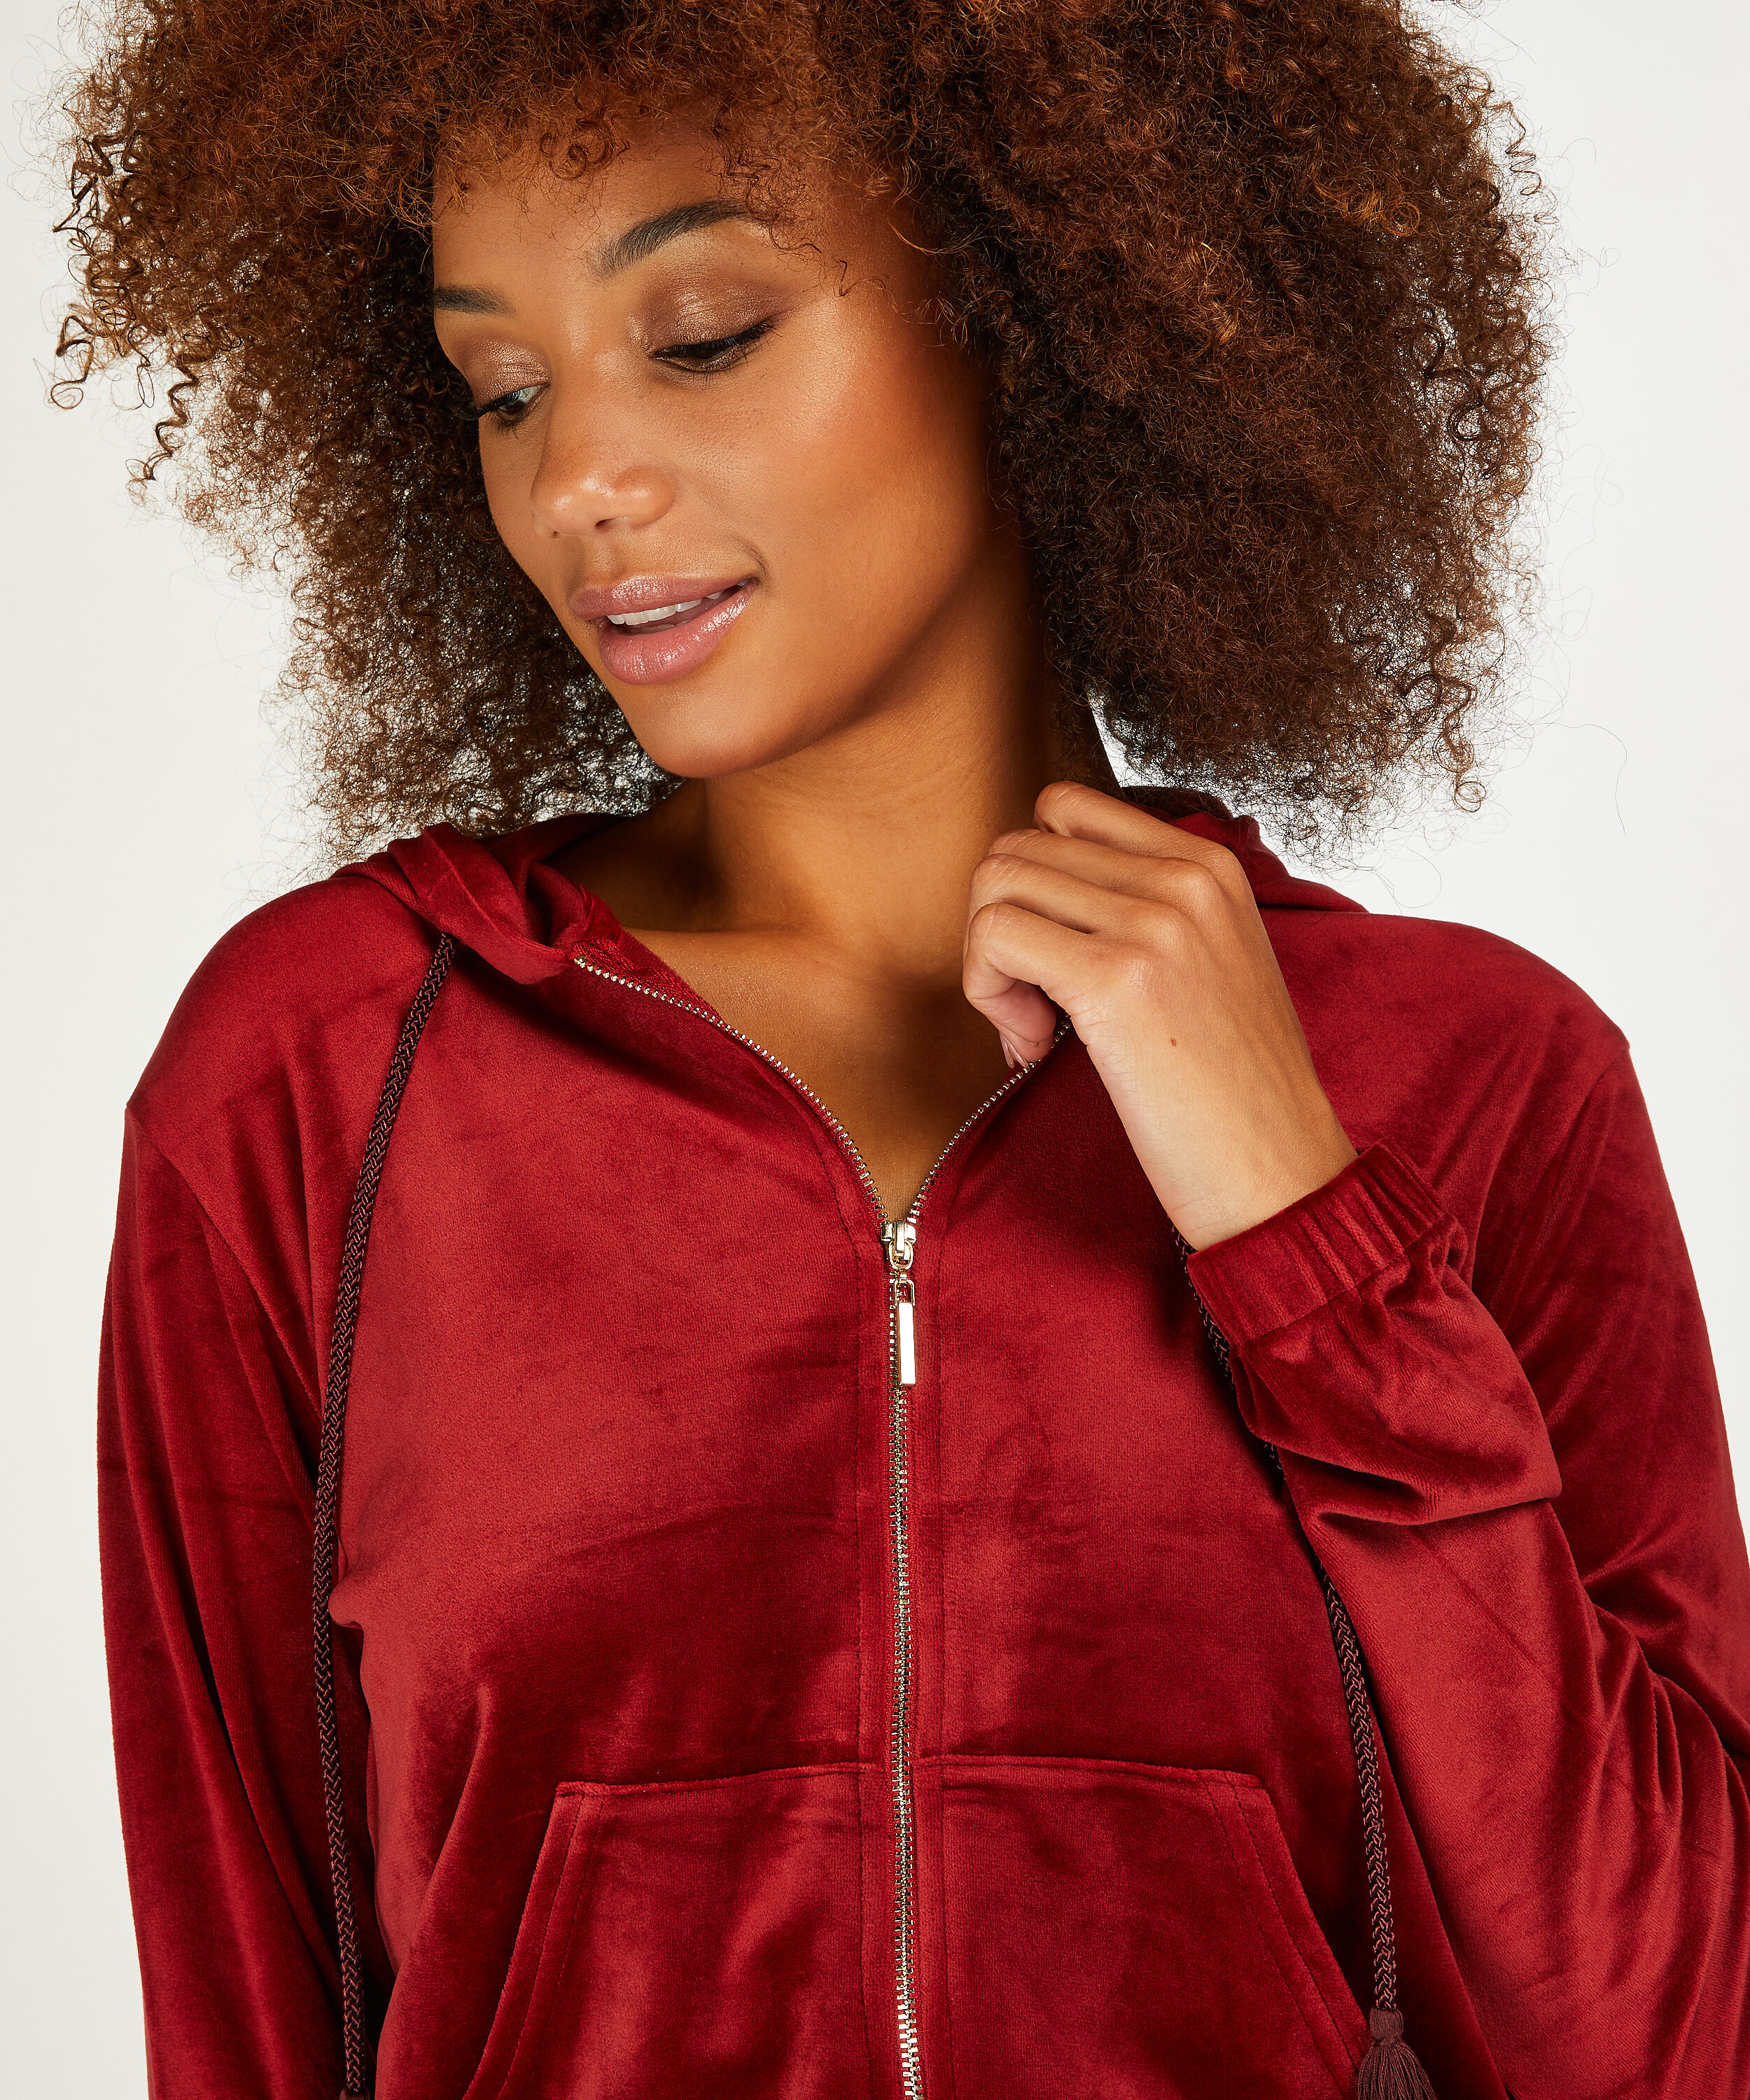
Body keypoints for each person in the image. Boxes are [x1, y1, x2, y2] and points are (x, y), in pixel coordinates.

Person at [61, 2, 1749, 2096]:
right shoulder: (328, 1075)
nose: (579, 481)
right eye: (503, 388)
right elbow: (248, 2003)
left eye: (702, 336)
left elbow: (1669, 2040)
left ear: (1041, 309)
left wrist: (1300, 1228)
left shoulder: (1476, 1078)